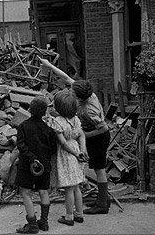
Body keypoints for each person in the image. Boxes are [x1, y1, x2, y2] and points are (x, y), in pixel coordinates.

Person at [39, 58, 111, 214]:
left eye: (72, 92)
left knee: (99, 169)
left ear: (79, 98)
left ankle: (103, 204)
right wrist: (49, 65)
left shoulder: (88, 110)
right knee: (96, 167)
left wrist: (82, 134)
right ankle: (103, 197)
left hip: (98, 137)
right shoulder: (88, 94)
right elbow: (66, 77)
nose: (69, 91)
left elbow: (103, 128)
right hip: (91, 134)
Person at [15, 96, 58, 233]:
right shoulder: (49, 130)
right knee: (43, 191)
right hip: (44, 165)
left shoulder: (23, 126)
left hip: (27, 164)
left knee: (25, 192)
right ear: (45, 113)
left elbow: (21, 146)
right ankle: (44, 222)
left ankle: (32, 224)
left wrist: (32, 158)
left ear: (29, 110)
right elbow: (53, 149)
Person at [46, 89, 88, 226]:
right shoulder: (76, 119)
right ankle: (79, 214)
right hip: (76, 149)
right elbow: (81, 135)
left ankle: (69, 216)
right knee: (77, 187)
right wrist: (82, 150)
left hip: (67, 154)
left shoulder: (57, 121)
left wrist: (76, 154)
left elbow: (63, 143)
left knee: (69, 188)